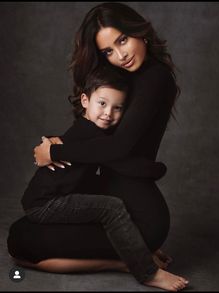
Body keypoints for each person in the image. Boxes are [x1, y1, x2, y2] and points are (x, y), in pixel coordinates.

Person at [7, 2, 189, 291]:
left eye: (122, 40)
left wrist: (53, 152)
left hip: (139, 216)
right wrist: (59, 142)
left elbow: (117, 147)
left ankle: (138, 261)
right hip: (115, 202)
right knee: (20, 236)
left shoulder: (154, 78)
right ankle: (125, 259)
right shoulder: (126, 79)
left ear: (139, 32)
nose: (120, 56)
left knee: (21, 241)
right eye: (108, 51)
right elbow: (100, 140)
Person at [21, 66, 169, 283]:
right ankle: (146, 271)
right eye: (102, 103)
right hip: (45, 203)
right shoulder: (92, 135)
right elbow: (126, 164)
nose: (108, 113)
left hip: (53, 197)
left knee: (104, 196)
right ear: (84, 101)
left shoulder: (89, 129)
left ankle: (135, 251)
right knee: (111, 207)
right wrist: (158, 169)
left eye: (117, 108)